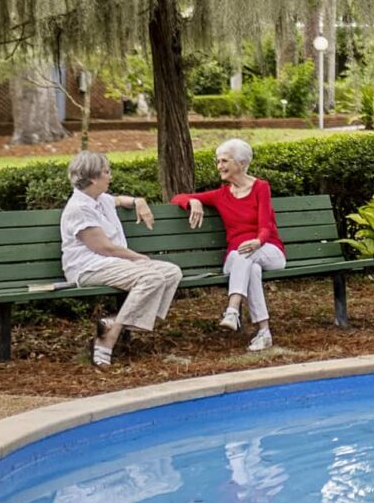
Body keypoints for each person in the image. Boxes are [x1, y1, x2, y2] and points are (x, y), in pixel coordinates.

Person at [59, 151, 180, 368]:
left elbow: (119, 200)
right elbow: (103, 248)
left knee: (171, 272)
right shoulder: (79, 208)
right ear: (93, 178)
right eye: (106, 172)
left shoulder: (100, 198)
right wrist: (139, 258)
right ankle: (109, 338)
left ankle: (116, 322)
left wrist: (138, 201)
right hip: (89, 268)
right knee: (151, 278)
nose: (110, 176)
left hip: (115, 263)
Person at [184, 137, 284, 352]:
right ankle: (264, 332)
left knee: (247, 256)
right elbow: (179, 197)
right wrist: (192, 201)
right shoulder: (220, 195)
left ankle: (232, 310)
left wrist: (257, 241)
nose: (219, 166)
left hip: (268, 250)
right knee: (251, 268)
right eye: (218, 161)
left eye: (225, 161)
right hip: (237, 256)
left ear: (241, 163)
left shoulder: (261, 187)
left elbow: (265, 225)